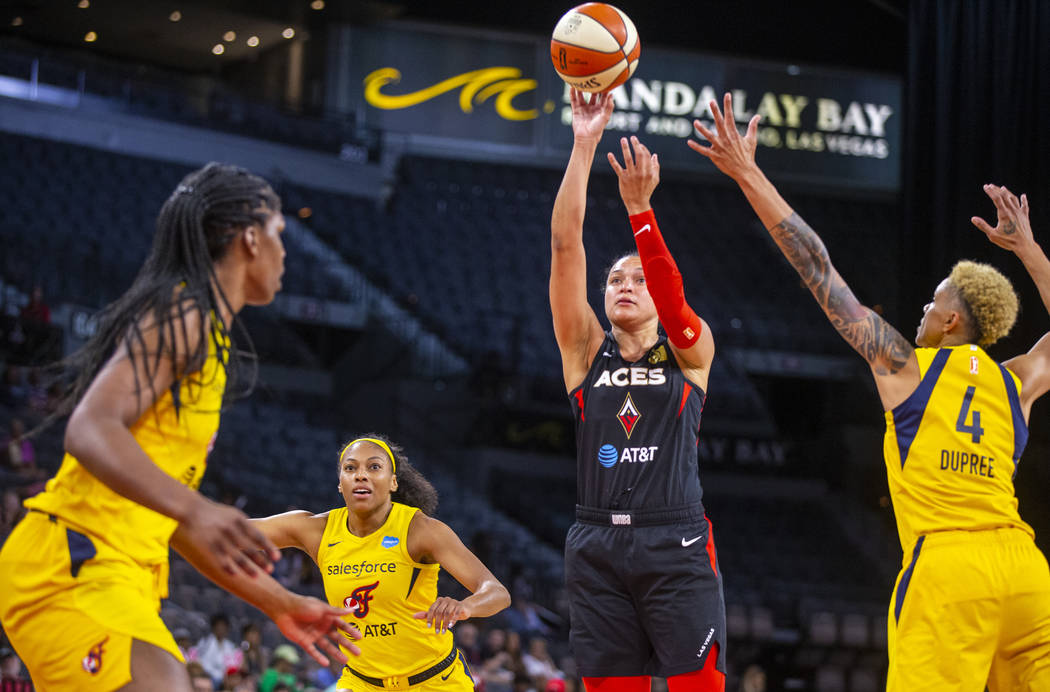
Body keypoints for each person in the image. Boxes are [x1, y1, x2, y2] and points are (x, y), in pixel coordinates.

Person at [690, 93, 1050, 691]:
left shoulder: (906, 366)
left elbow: (817, 267)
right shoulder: (1019, 382)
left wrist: (749, 174)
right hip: (1026, 572)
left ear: (953, 322)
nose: (924, 309)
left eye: (934, 302)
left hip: (949, 567)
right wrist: (1031, 251)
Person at [0, 162, 360, 691]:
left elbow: (177, 526)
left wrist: (279, 602)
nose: (286, 253)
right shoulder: (184, 311)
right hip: (72, 563)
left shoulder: (207, 339)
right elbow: (89, 426)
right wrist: (197, 506)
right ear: (251, 239)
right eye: (281, 235)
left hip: (121, 576)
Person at [550, 88, 725, 692]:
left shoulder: (688, 350)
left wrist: (639, 212)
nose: (624, 283)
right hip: (596, 543)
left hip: (674, 541)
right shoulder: (583, 350)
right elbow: (565, 245)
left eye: (637, 277)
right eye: (614, 278)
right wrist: (583, 144)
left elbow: (674, 302)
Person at [251, 434, 512, 692]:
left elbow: (497, 592)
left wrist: (464, 607)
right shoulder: (316, 530)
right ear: (341, 483)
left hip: (433, 681)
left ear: (393, 482)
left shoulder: (420, 530)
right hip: (361, 682)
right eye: (350, 468)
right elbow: (230, 533)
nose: (360, 475)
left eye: (374, 467)